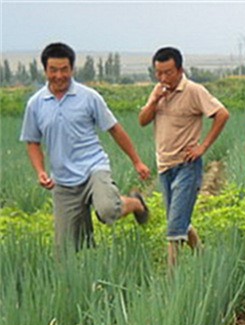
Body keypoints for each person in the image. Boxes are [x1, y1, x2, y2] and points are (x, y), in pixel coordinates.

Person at [20, 42, 150, 251]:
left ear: (72, 69)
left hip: (93, 168)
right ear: (45, 70)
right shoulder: (36, 104)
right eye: (53, 70)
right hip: (63, 180)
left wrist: (137, 161)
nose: (59, 75)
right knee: (65, 251)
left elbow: (115, 129)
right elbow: (33, 142)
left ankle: (135, 203)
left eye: (64, 69)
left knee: (107, 210)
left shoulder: (89, 97)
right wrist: (41, 171)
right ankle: (90, 272)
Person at [138, 47, 229, 267]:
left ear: (180, 69)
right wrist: (154, 101)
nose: (163, 77)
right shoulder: (157, 91)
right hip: (164, 167)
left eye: (168, 72)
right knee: (179, 221)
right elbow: (142, 120)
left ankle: (172, 281)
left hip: (187, 166)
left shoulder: (194, 91)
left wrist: (203, 147)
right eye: (158, 73)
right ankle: (203, 258)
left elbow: (222, 114)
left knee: (174, 228)